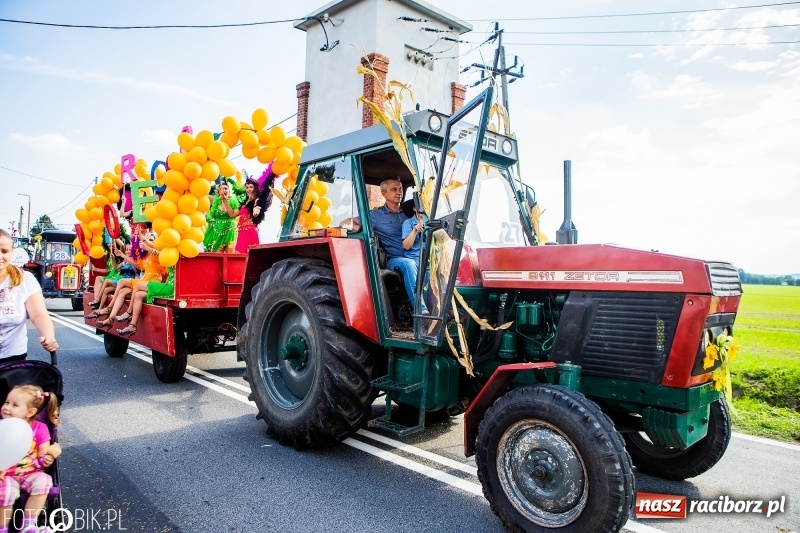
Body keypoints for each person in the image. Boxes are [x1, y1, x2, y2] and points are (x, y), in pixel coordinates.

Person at [0, 384, 61, 533]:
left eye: (15, 405)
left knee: (44, 480)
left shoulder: (40, 428)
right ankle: (2, 528)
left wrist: (46, 459)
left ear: (30, 411)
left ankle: (28, 525)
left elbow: (43, 454)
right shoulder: (2, 427)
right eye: (6, 402)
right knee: (6, 491)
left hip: (30, 472)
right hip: (5, 474)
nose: (7, 407)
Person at [0, 229, 59, 362]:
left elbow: (39, 314)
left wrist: (48, 337)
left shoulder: (25, 279)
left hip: (13, 360)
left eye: (4, 251)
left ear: (11, 253)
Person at [370, 178, 425, 312]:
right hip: (394, 260)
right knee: (408, 264)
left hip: (417, 256)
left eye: (400, 189)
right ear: (384, 193)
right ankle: (421, 312)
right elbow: (354, 223)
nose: (399, 192)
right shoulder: (375, 216)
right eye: (394, 189)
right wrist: (347, 224)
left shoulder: (409, 214)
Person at [234, 175, 272, 254]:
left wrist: (256, 208)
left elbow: (256, 213)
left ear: (255, 188)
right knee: (239, 256)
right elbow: (232, 214)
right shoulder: (245, 202)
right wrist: (224, 200)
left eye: (251, 187)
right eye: (247, 187)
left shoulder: (257, 200)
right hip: (241, 233)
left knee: (250, 256)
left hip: (250, 232)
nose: (248, 189)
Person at [203, 180, 239, 253]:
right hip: (217, 230)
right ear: (218, 192)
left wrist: (224, 200)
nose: (223, 191)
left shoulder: (234, 202)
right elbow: (201, 196)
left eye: (225, 188)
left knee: (230, 256)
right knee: (217, 256)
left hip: (230, 230)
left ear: (229, 190)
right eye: (221, 189)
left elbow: (232, 214)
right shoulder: (214, 200)